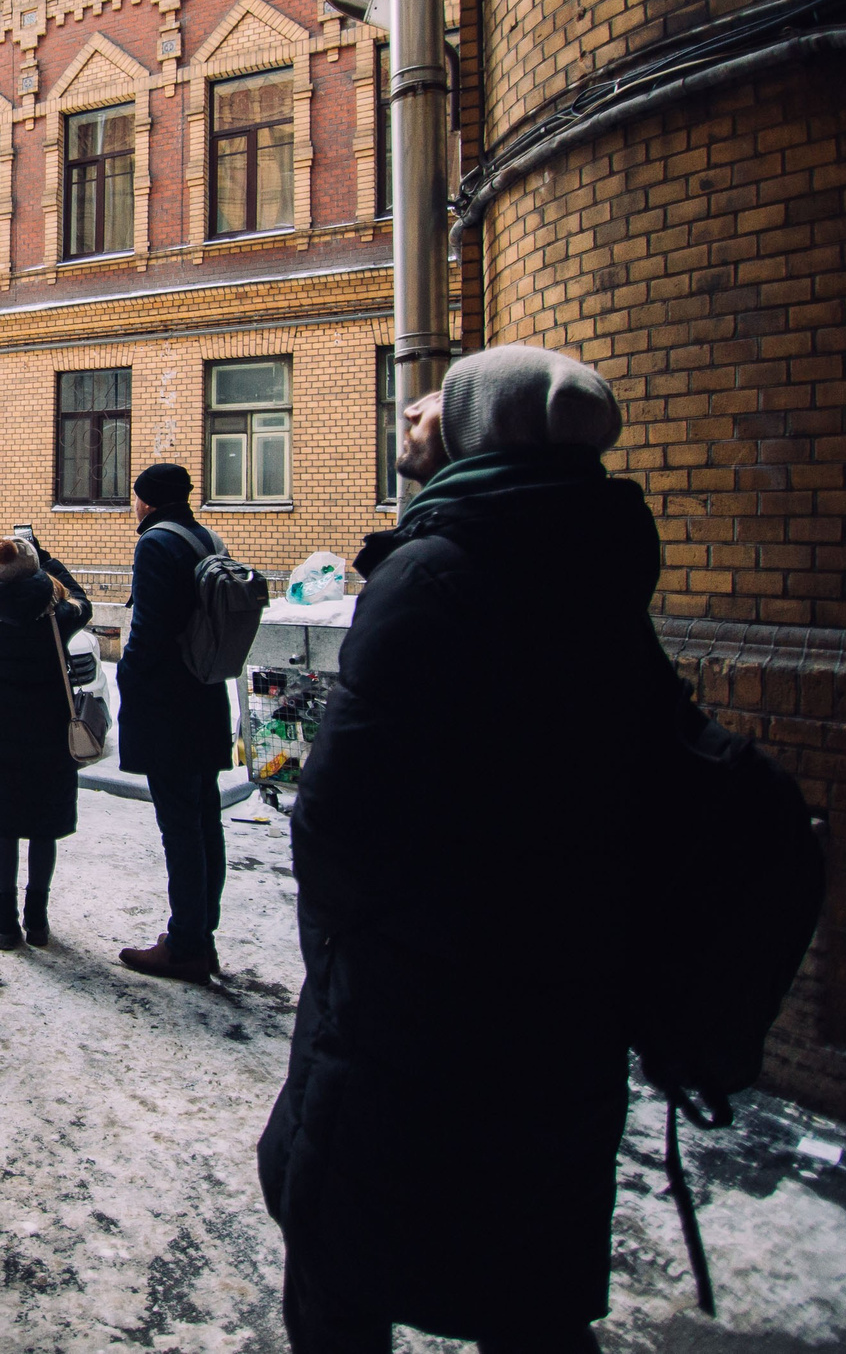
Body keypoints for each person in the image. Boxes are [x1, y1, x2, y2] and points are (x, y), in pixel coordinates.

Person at [258, 346, 684, 1354]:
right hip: (560, 988)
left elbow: (341, 816)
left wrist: (354, 947)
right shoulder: (592, 558)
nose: (410, 414)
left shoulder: (440, 567)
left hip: (415, 994)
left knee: (336, 1255)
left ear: (482, 432)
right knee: (526, 1276)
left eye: (437, 406)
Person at [114, 463, 236, 982]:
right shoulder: (204, 535)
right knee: (205, 817)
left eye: (136, 496)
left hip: (170, 701)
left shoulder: (156, 543)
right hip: (205, 694)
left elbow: (150, 627)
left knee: (180, 826)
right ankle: (198, 934)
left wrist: (128, 675)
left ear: (147, 500)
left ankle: (186, 944)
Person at [0, 533, 93, 950]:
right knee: (43, 827)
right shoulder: (59, 619)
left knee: (4, 828)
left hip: (2, 728)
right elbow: (81, 600)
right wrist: (50, 563)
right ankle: (36, 920)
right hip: (49, 727)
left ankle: (5, 923)